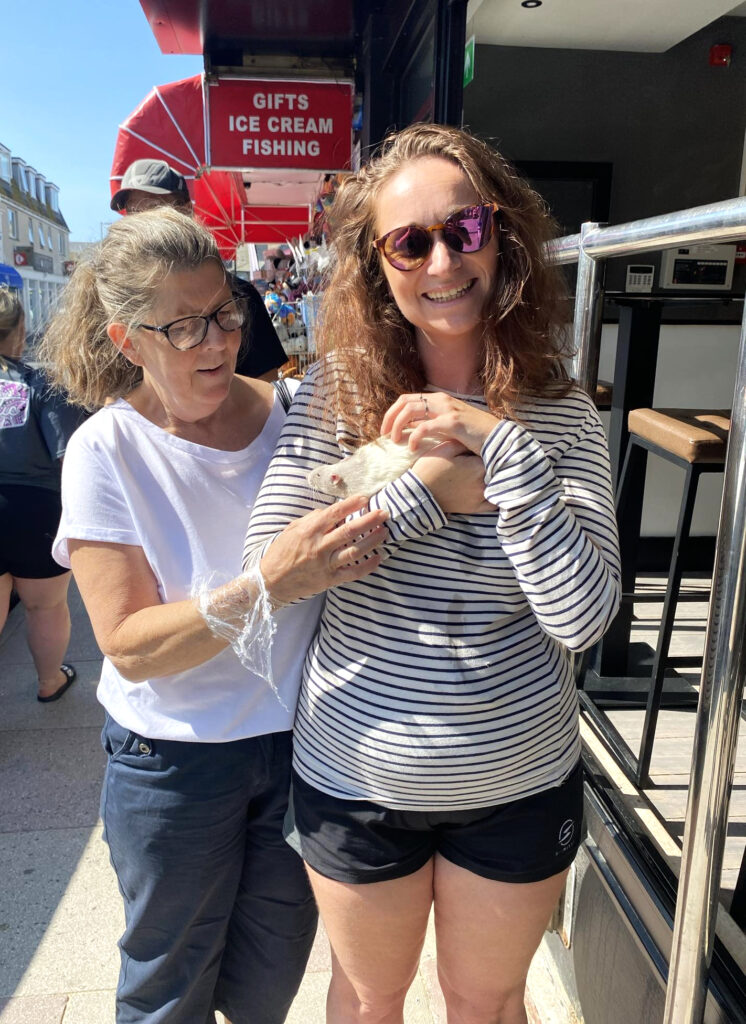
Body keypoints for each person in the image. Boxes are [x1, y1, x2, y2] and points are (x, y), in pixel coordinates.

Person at [242, 123, 622, 1024]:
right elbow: (274, 569)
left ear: (505, 236)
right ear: (380, 267)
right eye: (410, 241)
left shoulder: (561, 415)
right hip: (356, 777)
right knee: (371, 1000)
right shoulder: (333, 393)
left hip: (518, 780)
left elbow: (582, 618)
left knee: (484, 1002)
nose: (443, 259)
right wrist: (434, 489)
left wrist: (502, 457)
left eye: (466, 229)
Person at [39, 208, 388, 1024]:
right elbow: (128, 647)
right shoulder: (106, 450)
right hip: (173, 762)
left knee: (267, 985)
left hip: (304, 751)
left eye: (225, 312)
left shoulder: (300, 416)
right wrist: (267, 584)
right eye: (185, 326)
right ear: (129, 341)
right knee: (168, 990)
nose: (217, 342)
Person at [110, 158, 288, 381]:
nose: (146, 223)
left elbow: (268, 389)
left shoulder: (237, 295)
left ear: (186, 210)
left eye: (156, 210)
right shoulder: (121, 308)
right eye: (136, 213)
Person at [0, 287, 84, 701]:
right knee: (45, 607)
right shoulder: (40, 382)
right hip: (35, 509)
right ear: (20, 330)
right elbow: (69, 452)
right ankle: (50, 681)